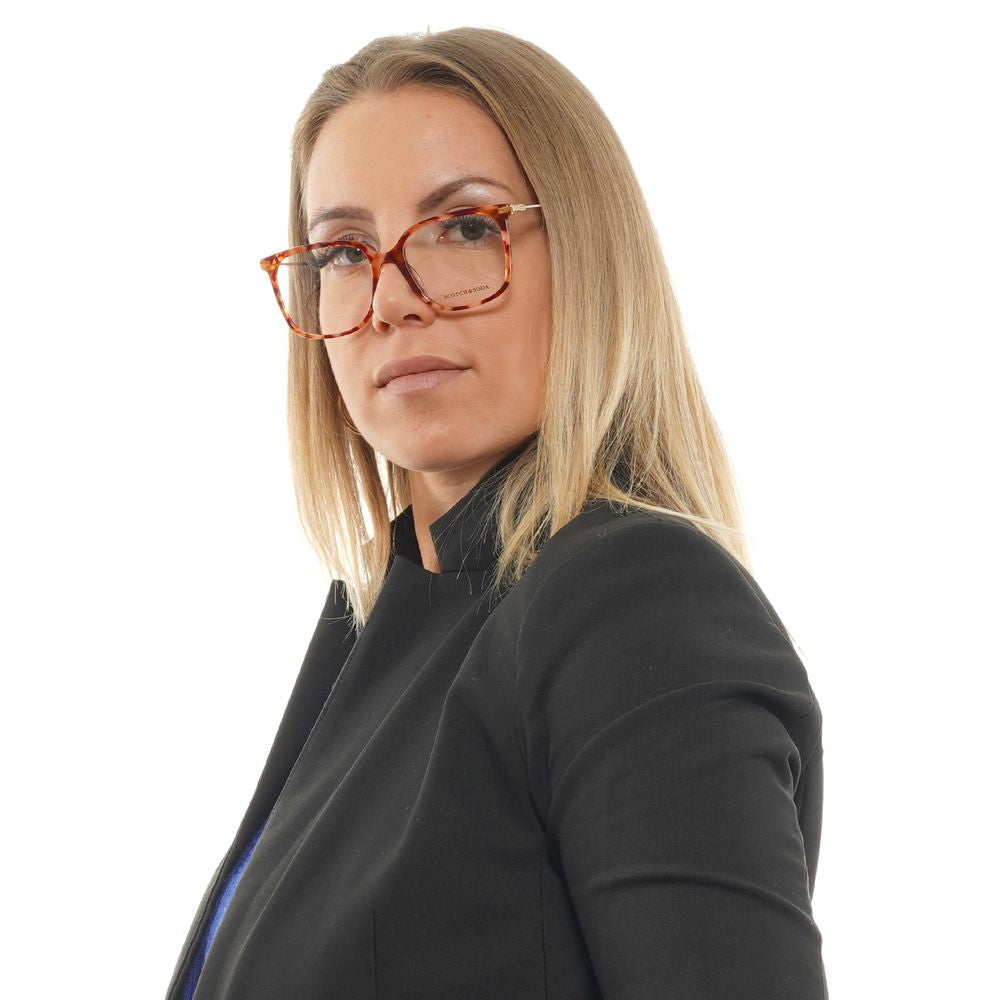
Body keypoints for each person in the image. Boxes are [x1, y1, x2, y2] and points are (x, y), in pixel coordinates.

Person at [165, 26, 828, 1000]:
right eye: (343, 250)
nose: (391, 299)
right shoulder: (374, 622)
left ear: (590, 258)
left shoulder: (636, 606)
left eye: (465, 227)